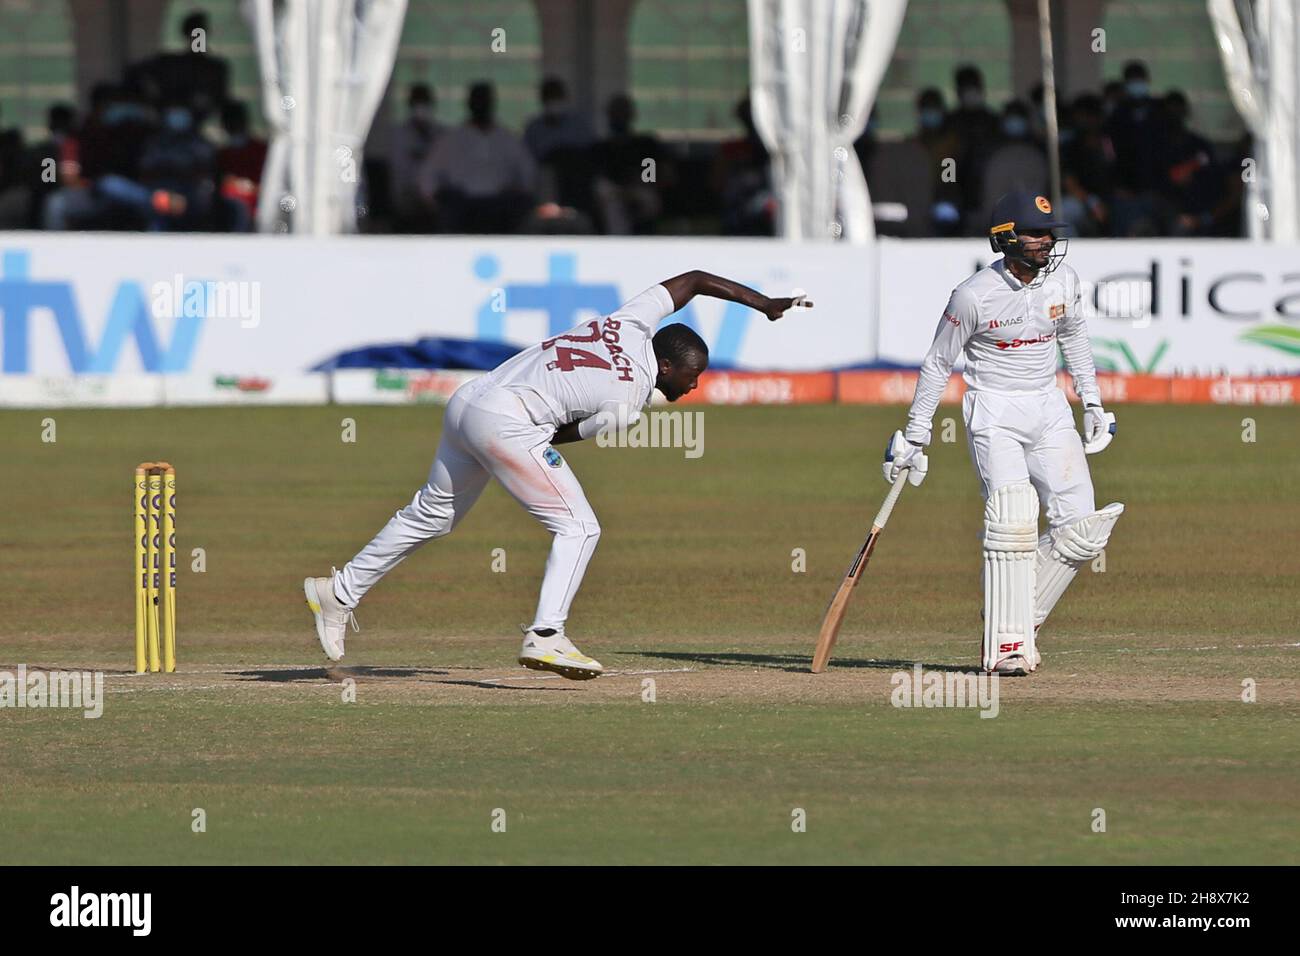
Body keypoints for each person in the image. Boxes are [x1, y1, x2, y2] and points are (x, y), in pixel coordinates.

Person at [305, 272, 813, 679]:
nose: (696, 385)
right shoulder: (628, 398)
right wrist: (520, 443)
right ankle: (546, 635)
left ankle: (341, 591)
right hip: (506, 422)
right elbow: (561, 435)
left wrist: (763, 302)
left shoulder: (630, 321)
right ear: (663, 365)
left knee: (434, 515)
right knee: (579, 526)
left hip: (468, 401)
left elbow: (696, 279)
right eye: (692, 376)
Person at [882, 190, 1123, 676]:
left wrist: (1091, 401)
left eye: (1049, 234)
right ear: (1005, 238)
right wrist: (915, 433)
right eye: (1035, 234)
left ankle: (1013, 616)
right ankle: (1008, 645)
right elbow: (937, 363)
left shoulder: (1063, 282)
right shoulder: (972, 296)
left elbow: (1074, 337)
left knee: (1082, 529)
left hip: (1050, 406)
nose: (1046, 243)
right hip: (994, 410)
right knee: (1013, 521)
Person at [419, 81, 536, 233]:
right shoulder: (450, 139)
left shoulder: (508, 138)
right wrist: (435, 201)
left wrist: (517, 191)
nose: (481, 105)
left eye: (484, 100)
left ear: (492, 103)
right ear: (469, 103)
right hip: (462, 207)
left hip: (499, 207)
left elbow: (529, 174)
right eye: (477, 100)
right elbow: (428, 176)